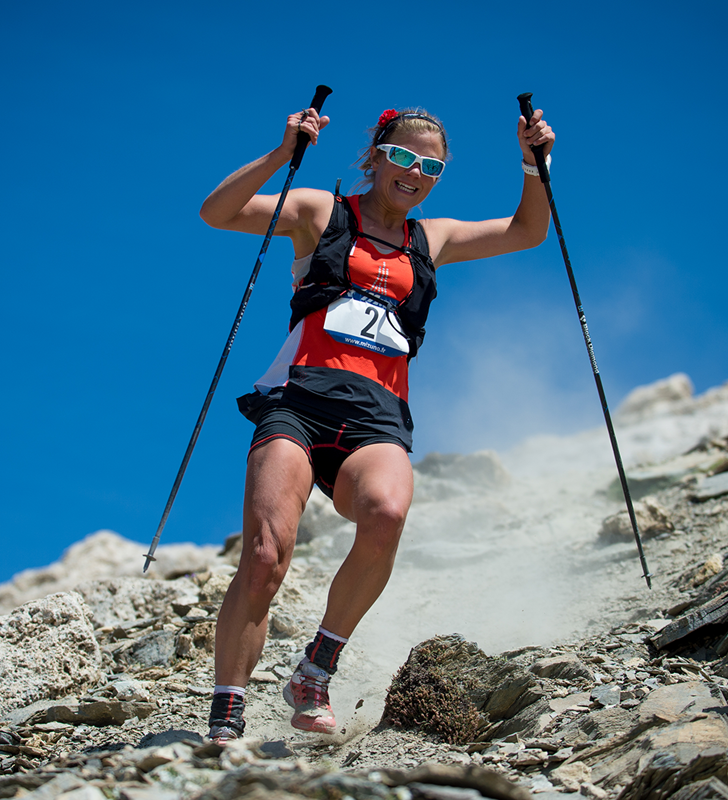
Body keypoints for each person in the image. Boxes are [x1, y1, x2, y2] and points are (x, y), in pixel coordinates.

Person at [199, 103, 555, 742]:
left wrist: (534, 164)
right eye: (404, 157)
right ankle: (226, 713)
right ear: (376, 156)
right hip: (299, 401)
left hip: (377, 415)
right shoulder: (321, 212)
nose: (414, 173)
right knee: (265, 554)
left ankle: (317, 668)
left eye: (431, 166)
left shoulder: (434, 238)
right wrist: (283, 154)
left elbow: (528, 231)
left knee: (386, 514)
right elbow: (218, 213)